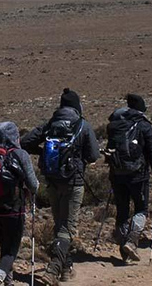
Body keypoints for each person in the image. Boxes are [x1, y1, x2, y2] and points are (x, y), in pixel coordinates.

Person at [21, 88, 99, 285]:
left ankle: (66, 268)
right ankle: (53, 269)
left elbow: (25, 141)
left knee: (59, 224)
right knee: (69, 227)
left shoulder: (50, 125)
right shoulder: (82, 125)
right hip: (74, 182)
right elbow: (94, 156)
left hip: (52, 181)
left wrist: (42, 152)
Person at [104, 94, 152, 264]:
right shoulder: (144, 125)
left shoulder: (114, 125)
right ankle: (131, 241)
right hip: (138, 175)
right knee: (141, 209)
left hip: (117, 174)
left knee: (122, 211)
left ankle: (124, 248)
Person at [0, 122, 39, 286]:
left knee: (5, 246)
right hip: (13, 209)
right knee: (12, 249)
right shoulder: (20, 154)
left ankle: (8, 281)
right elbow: (33, 184)